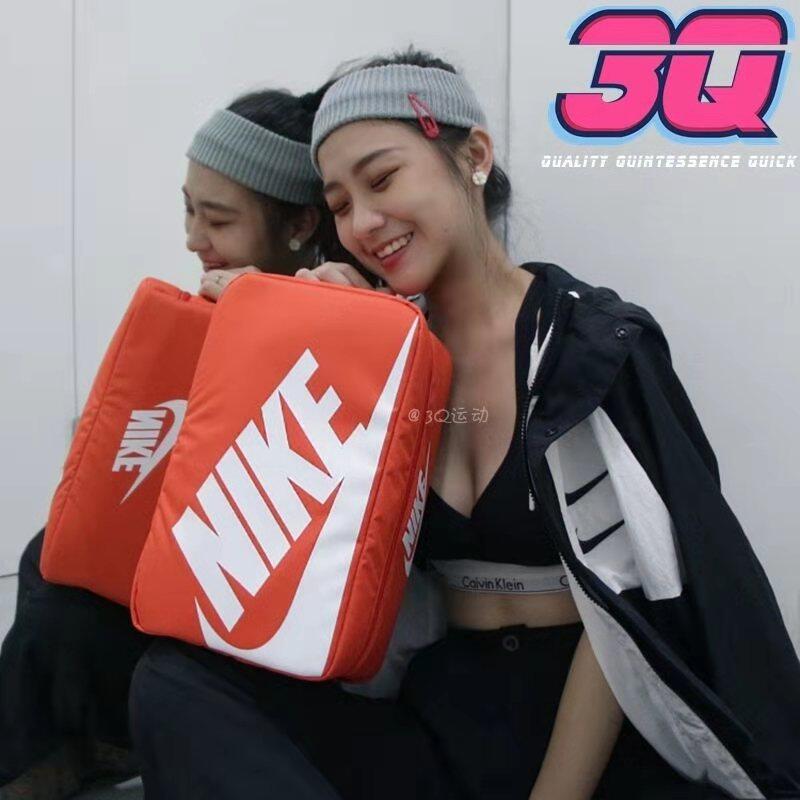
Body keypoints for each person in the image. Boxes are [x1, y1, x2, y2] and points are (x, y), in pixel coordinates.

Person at [129, 48, 800, 800]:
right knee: (175, 681)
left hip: (595, 723)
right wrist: (318, 335)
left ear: (473, 156)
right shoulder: (382, 352)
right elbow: (295, 566)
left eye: (383, 179)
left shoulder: (588, 346)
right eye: (340, 204)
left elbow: (627, 611)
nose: (364, 223)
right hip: (445, 712)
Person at [0, 84, 347, 800]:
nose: (193, 238)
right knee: (54, 555)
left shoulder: (348, 320)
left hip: (259, 614)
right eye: (189, 210)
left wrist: (277, 321)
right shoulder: (203, 315)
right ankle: (60, 754)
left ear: (299, 223)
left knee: (62, 602)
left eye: (216, 219)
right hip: (184, 576)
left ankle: (56, 758)